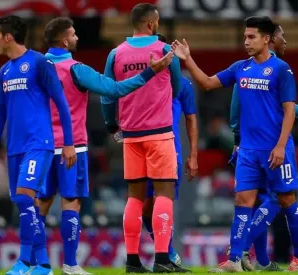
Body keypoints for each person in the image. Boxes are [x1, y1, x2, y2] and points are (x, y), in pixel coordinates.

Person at [33, 17, 173, 275]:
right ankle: (71, 264)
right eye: (73, 34)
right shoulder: (76, 68)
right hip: (71, 146)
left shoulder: (34, 66)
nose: (77, 38)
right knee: (71, 203)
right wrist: (149, 72)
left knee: (40, 204)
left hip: (40, 147)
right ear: (64, 40)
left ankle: (35, 264)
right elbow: (114, 89)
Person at [171, 16, 298, 272]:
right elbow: (207, 83)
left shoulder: (281, 69)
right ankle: (234, 260)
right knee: (243, 201)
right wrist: (188, 59)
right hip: (248, 151)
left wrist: (280, 145)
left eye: (252, 36)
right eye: (245, 37)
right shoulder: (240, 67)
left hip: (276, 148)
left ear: (266, 39)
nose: (246, 41)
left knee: (286, 200)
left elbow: (289, 112)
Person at [227, 23, 298, 271]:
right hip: (254, 146)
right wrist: (237, 140)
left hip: (266, 145)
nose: (285, 40)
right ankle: (253, 255)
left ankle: (256, 257)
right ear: (270, 39)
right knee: (270, 199)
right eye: (282, 36)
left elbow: (286, 109)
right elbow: (237, 108)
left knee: (268, 200)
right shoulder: (249, 69)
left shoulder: (277, 70)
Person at [0, 15, 77, 275]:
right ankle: (37, 264)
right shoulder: (4, 71)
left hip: (39, 143)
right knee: (26, 203)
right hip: (14, 147)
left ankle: (30, 262)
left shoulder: (39, 62)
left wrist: (68, 143)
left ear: (8, 37)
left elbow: (61, 103)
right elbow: (0, 111)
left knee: (24, 198)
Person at [101, 3, 183, 273]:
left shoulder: (115, 54)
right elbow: (178, 87)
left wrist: (112, 125)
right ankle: (161, 259)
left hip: (131, 135)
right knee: (164, 194)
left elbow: (107, 95)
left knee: (134, 198)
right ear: (152, 24)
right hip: (159, 133)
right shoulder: (164, 51)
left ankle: (132, 261)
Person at [141, 33, 198, 273]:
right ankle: (163, 251)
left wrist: (193, 155)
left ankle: (167, 253)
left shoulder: (182, 83)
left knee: (163, 201)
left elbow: (191, 119)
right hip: (141, 146)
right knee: (144, 206)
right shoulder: (142, 79)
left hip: (169, 148)